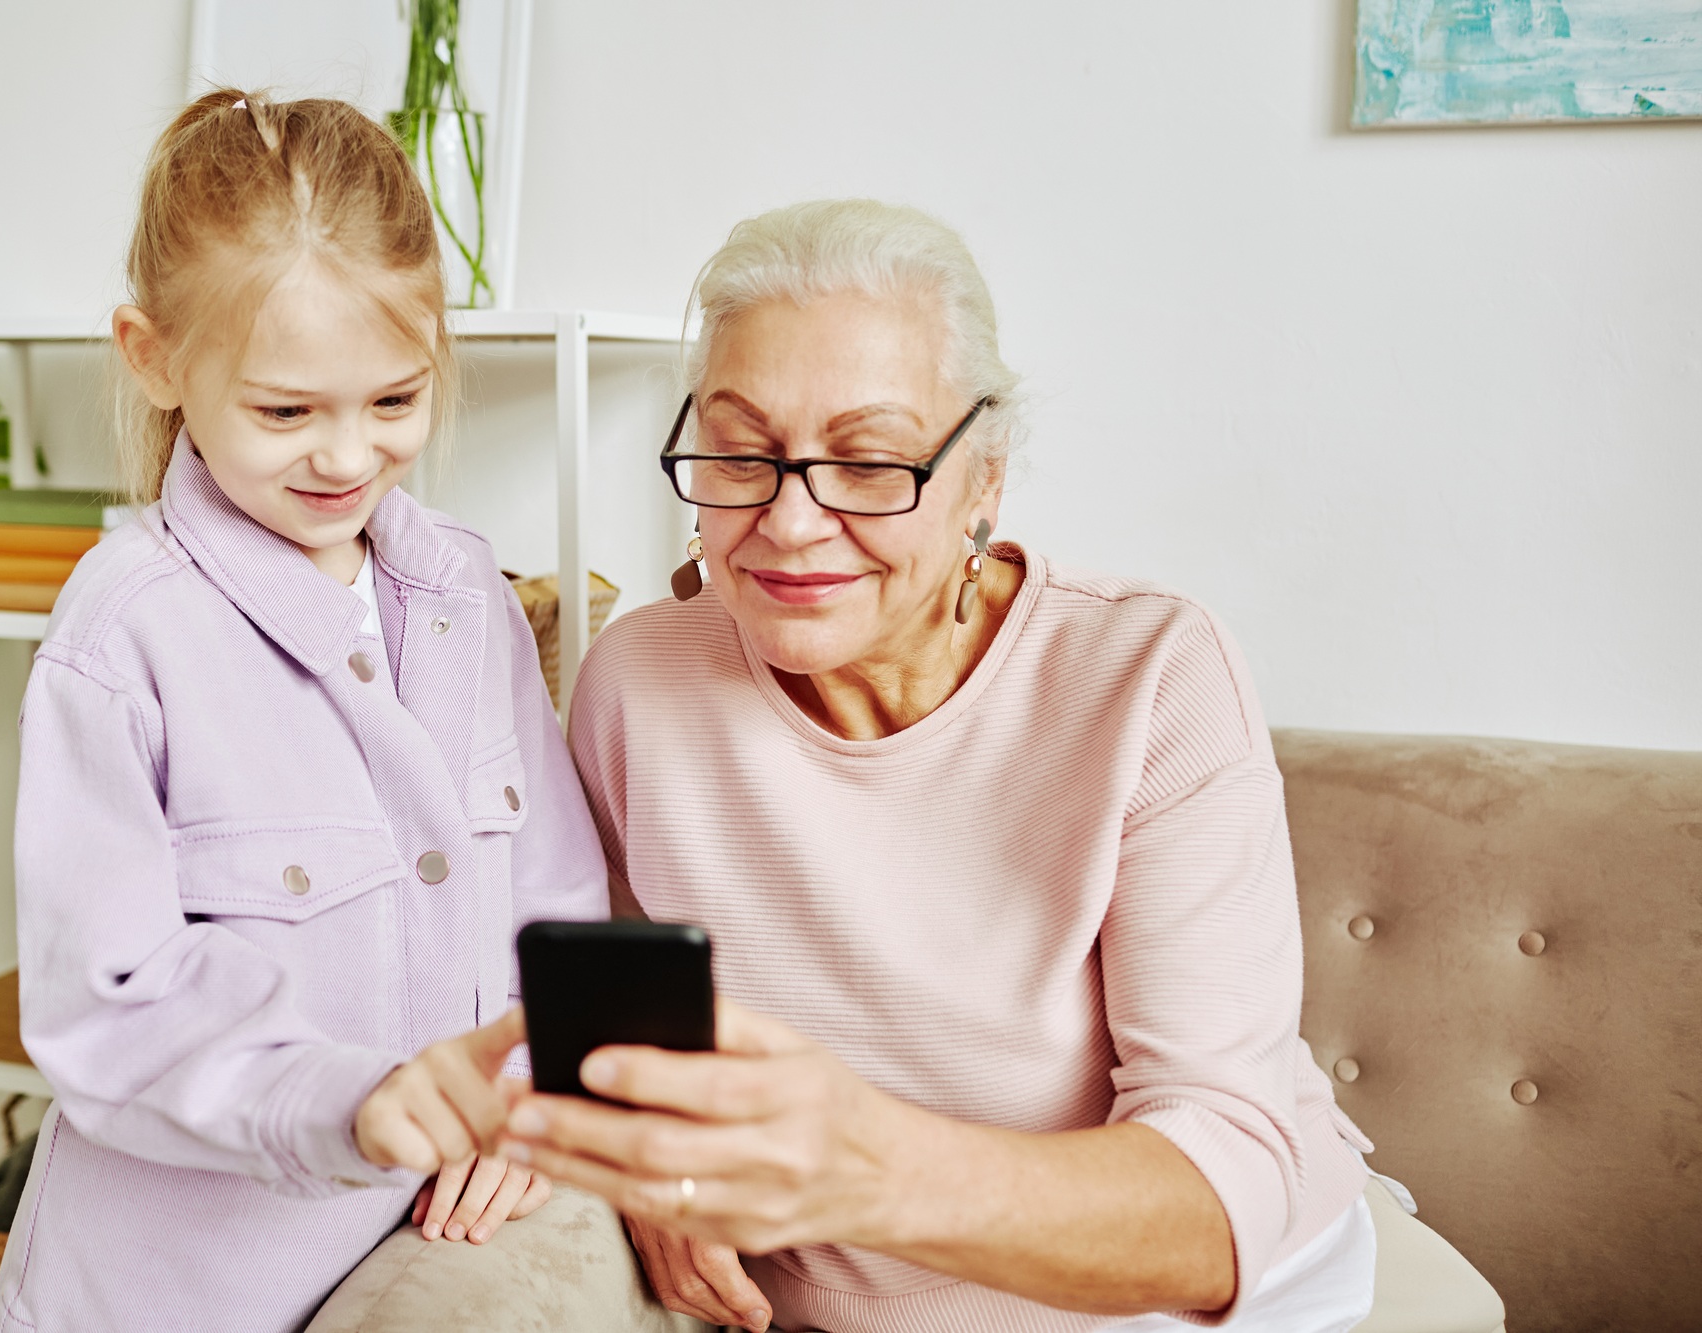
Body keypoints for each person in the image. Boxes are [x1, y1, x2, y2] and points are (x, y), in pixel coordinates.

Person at [503, 199, 1381, 1333]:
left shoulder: (1151, 673)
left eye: (868, 462)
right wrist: (647, 1175)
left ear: (983, 480)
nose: (790, 521)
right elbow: (619, 1028)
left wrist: (865, 1165)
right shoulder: (636, 683)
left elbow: (1218, 1193)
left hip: (1182, 1297)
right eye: (739, 453)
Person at [0, 91, 607, 1332]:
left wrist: (534, 1096)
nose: (346, 456)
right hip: (179, 1290)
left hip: (409, 1267)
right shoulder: (122, 639)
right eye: (285, 412)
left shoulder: (466, 593)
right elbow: (107, 1001)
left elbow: (557, 902)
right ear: (153, 354)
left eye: (394, 401)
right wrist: (354, 1102)